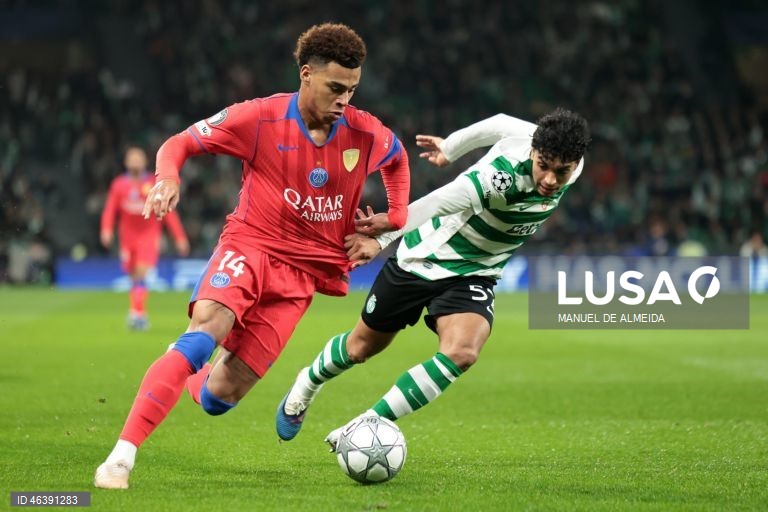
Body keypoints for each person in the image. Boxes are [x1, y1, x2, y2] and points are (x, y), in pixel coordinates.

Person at [94, 23, 410, 489]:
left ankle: (182, 369)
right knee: (205, 334)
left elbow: (399, 159)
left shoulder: (365, 132)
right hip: (251, 246)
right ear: (306, 75)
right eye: (335, 88)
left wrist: (394, 219)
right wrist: (168, 178)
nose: (345, 100)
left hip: (303, 277)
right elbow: (179, 143)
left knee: (220, 396)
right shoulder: (258, 118)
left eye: (352, 90)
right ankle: (121, 457)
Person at [275, 108, 590, 447]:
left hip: (476, 272)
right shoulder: (500, 179)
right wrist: (380, 240)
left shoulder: (569, 157)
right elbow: (440, 202)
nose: (551, 180)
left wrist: (451, 148)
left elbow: (498, 123)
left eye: (563, 171)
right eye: (544, 166)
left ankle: (369, 423)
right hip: (422, 257)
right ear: (533, 151)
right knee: (361, 347)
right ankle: (306, 384)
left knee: (463, 352)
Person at [100, 146, 190, 330]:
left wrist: (179, 237)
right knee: (133, 275)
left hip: (149, 234)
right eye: (132, 158)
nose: (135, 161)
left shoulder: (154, 183)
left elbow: (168, 212)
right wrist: (106, 229)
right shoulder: (118, 184)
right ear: (126, 162)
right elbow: (110, 209)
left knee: (141, 271)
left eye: (138, 158)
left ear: (145, 162)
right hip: (127, 236)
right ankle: (136, 310)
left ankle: (138, 314)